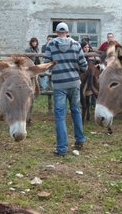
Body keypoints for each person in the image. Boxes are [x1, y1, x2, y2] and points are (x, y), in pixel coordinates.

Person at [43, 22, 88, 156]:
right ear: (67, 32)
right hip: (74, 83)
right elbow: (84, 66)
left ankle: (62, 149)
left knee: (60, 116)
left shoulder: (50, 45)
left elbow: (46, 65)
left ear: (56, 32)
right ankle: (80, 140)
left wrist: (52, 74)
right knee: (76, 111)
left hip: (59, 85)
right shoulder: (76, 45)